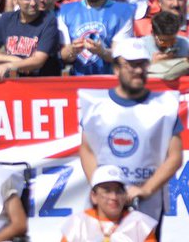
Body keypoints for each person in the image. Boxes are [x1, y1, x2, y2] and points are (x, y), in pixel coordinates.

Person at [78, 38, 183, 222]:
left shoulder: (166, 105)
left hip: (147, 207)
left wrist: (146, 189)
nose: (138, 70)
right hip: (105, 206)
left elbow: (174, 157)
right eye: (131, 65)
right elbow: (86, 149)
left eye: (142, 64)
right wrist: (100, 188)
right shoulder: (95, 106)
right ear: (116, 68)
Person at [58, 0, 135, 75]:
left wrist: (102, 52)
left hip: (109, 81)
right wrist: (72, 50)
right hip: (78, 83)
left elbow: (121, 56)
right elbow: (64, 55)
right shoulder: (66, 11)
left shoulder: (122, 13)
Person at [60, 165, 157, 242]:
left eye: (118, 191)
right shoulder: (78, 223)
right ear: (94, 196)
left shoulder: (139, 223)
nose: (114, 197)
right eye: (107, 191)